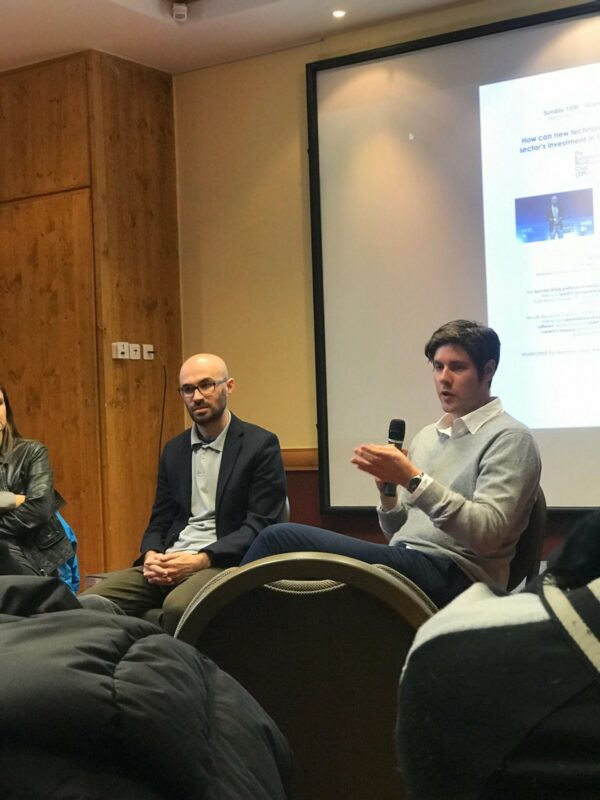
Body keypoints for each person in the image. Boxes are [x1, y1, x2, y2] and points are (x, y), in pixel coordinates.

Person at [241, 320, 541, 608]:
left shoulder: (511, 438)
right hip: (408, 562)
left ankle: (215, 628)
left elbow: (488, 535)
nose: (444, 378)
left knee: (279, 538)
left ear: (488, 370)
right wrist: (388, 497)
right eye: (438, 366)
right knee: (297, 596)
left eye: (457, 367)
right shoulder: (428, 437)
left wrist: (414, 480)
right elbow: (398, 532)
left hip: (459, 577)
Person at [396, 510, 600, 799]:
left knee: (320, 541)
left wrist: (417, 487)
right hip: (404, 555)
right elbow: (397, 532)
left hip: (452, 569)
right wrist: (390, 504)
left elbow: (487, 536)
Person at [82, 353, 286, 633]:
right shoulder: (175, 450)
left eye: (206, 385)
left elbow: (259, 526)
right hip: (170, 560)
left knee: (177, 607)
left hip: (222, 562)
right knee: (85, 603)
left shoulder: (260, 445)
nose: (197, 397)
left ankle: (160, 659)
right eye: (188, 389)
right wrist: (151, 554)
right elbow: (160, 519)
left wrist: (200, 559)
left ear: (229, 386)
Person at [0, 383, 73, 577]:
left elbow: (40, 507)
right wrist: (14, 499)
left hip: (34, 554)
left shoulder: (32, 452)